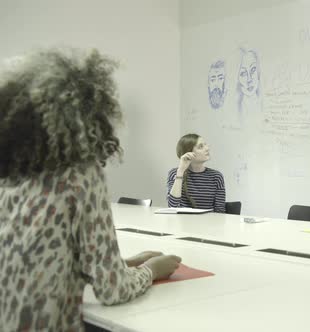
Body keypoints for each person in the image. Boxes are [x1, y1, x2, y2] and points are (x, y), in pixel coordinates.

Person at [0, 48, 181, 331]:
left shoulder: (10, 177)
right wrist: (151, 270)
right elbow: (113, 291)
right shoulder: (81, 175)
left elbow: (39, 263)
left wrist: (124, 262)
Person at [167, 133, 226, 212]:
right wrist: (180, 171)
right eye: (201, 147)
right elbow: (172, 206)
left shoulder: (216, 176)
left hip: (208, 223)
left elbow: (220, 211)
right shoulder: (175, 173)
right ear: (188, 153)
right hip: (182, 222)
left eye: (205, 145)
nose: (207, 148)